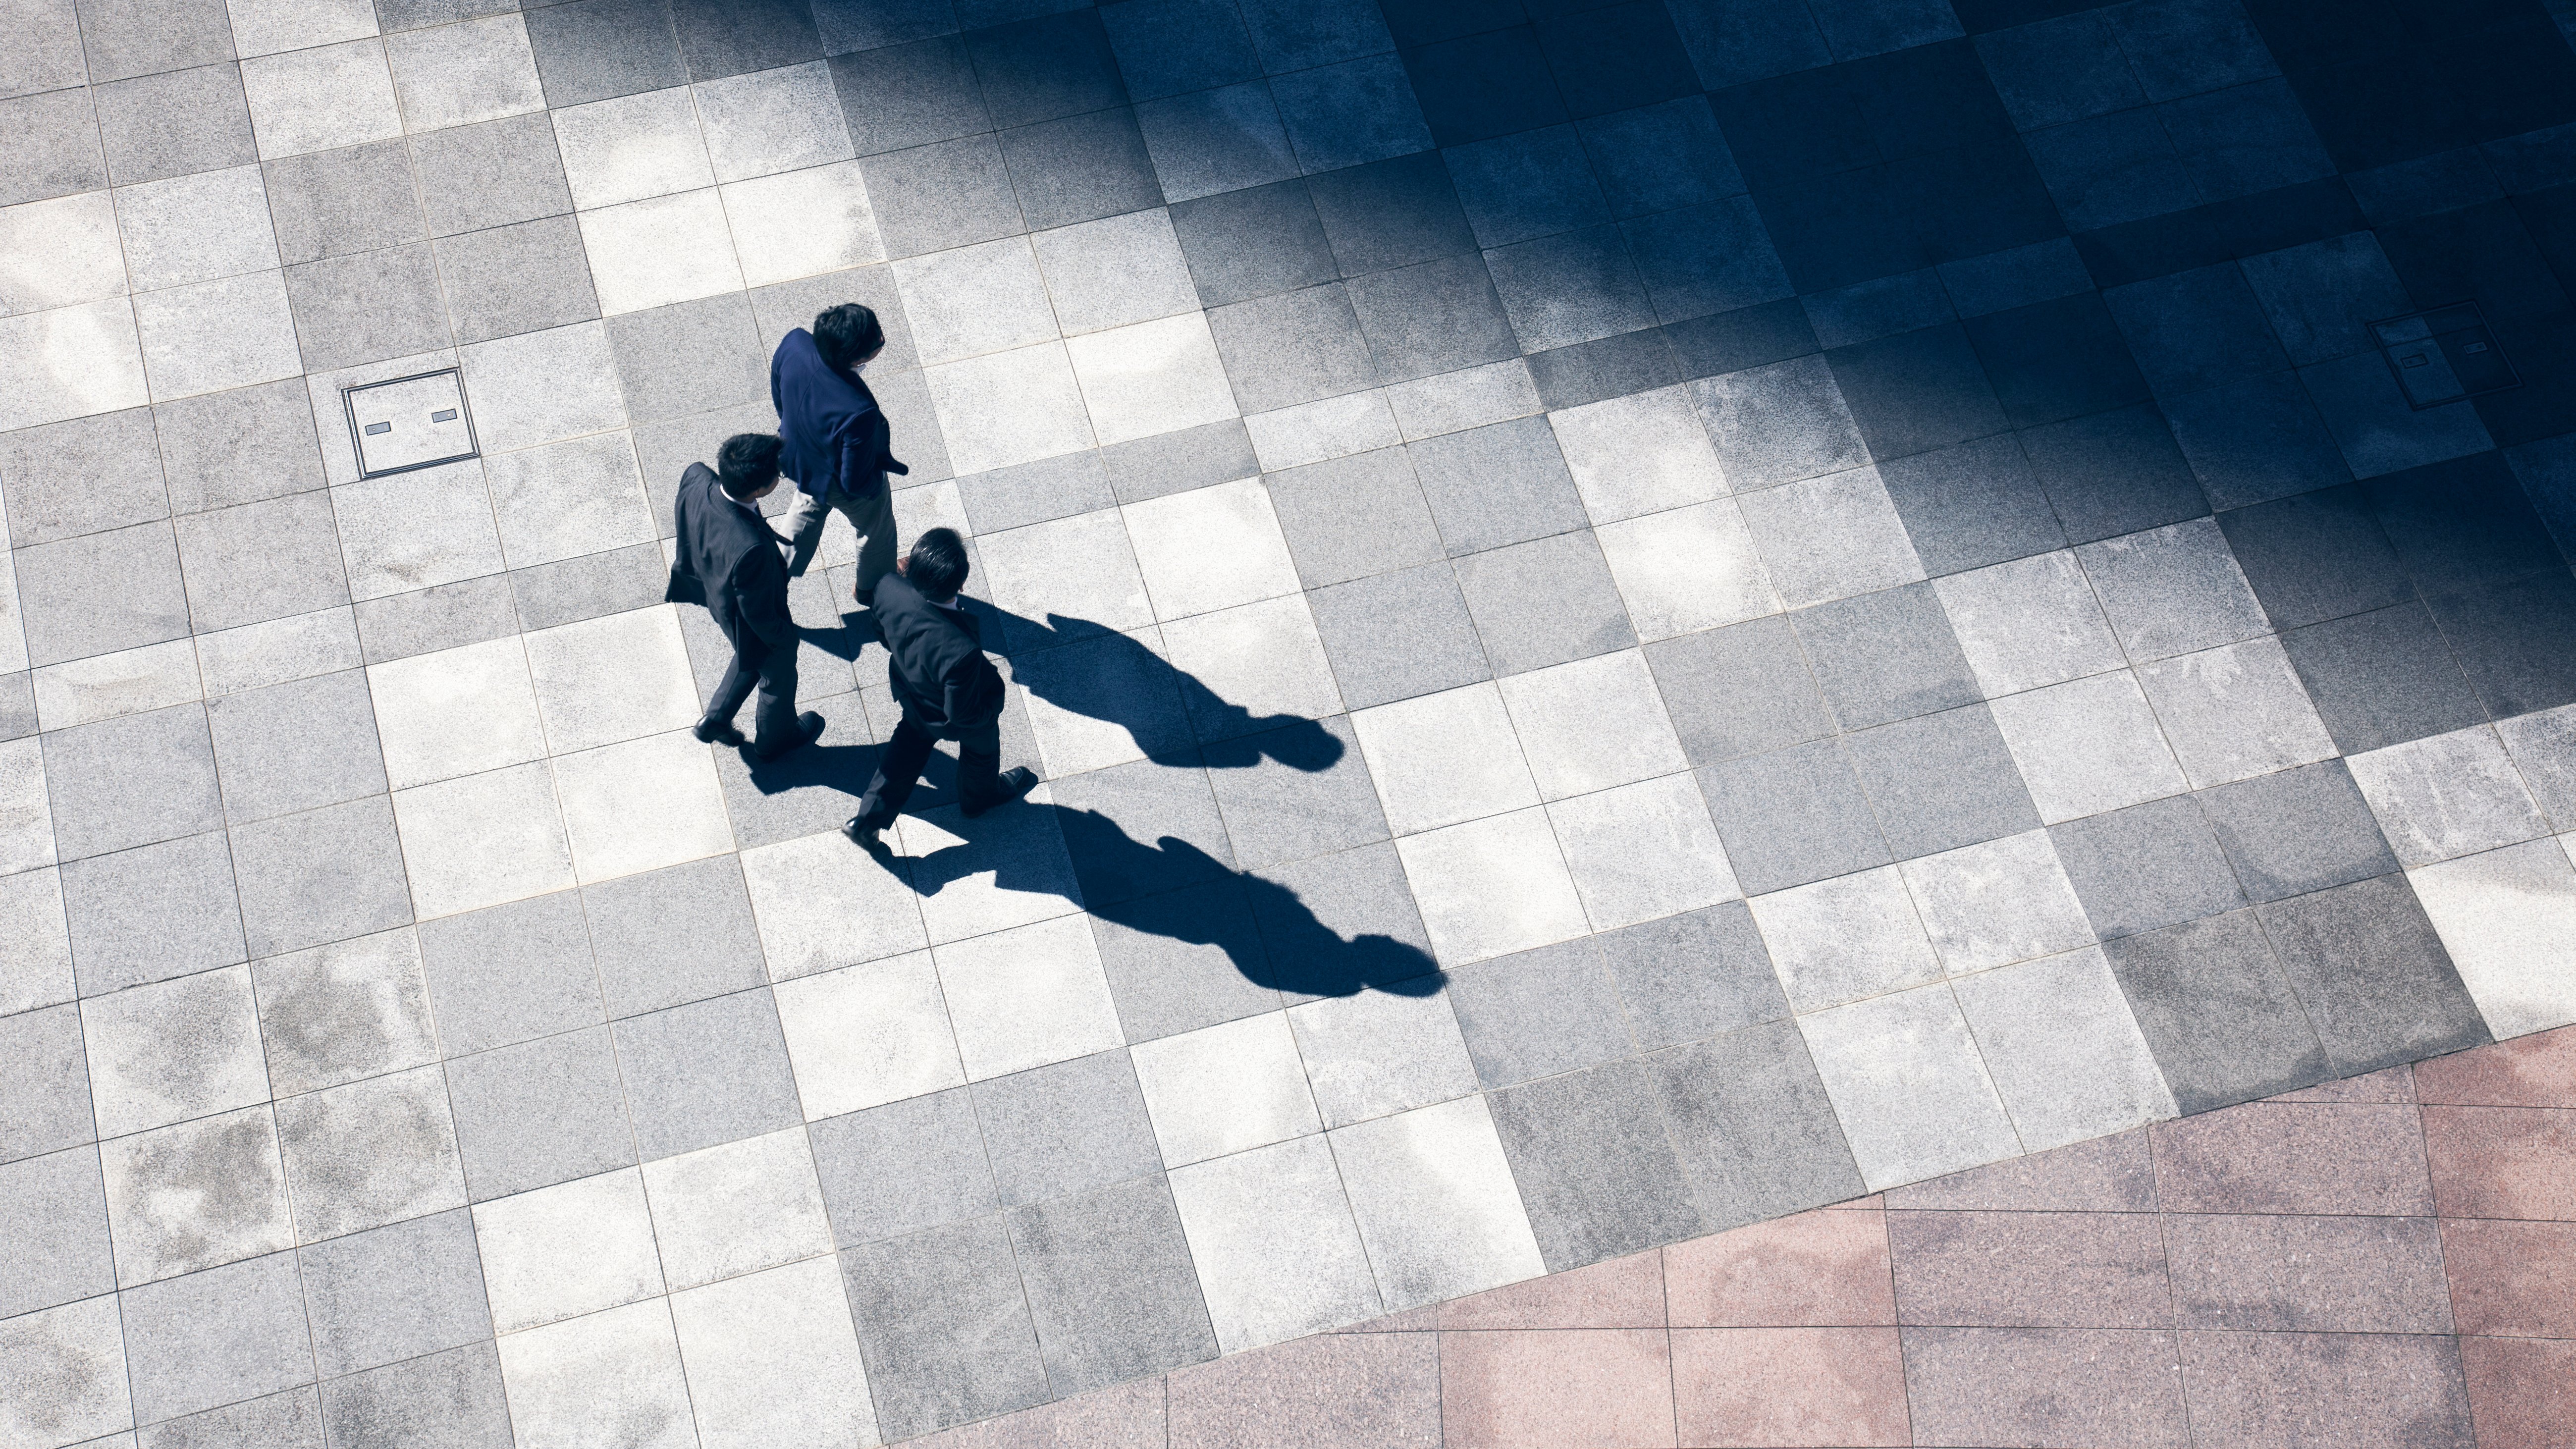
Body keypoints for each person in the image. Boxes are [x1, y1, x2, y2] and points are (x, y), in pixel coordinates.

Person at [843, 529, 1038, 850]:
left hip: (911, 689)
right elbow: (961, 714)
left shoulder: (888, 588)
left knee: (907, 748)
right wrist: (991, 711)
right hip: (948, 710)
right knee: (982, 748)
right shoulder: (960, 650)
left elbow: (880, 630)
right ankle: (979, 798)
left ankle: (866, 821)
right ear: (961, 584)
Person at [664, 434, 824, 760]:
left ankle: (716, 719)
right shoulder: (750, 549)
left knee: (749, 653)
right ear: (758, 489)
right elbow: (759, 615)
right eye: (778, 475)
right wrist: (786, 639)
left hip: (715, 591)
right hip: (746, 610)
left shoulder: (697, 476)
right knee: (776, 675)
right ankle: (774, 740)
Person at [772, 302, 905, 607]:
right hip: (838, 478)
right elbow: (854, 480)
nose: (882, 339)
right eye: (879, 341)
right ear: (858, 358)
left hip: (799, 456)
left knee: (808, 503)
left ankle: (773, 574)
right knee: (876, 527)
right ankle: (872, 590)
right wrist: (875, 489)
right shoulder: (858, 410)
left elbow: (779, 393)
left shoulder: (795, 342)